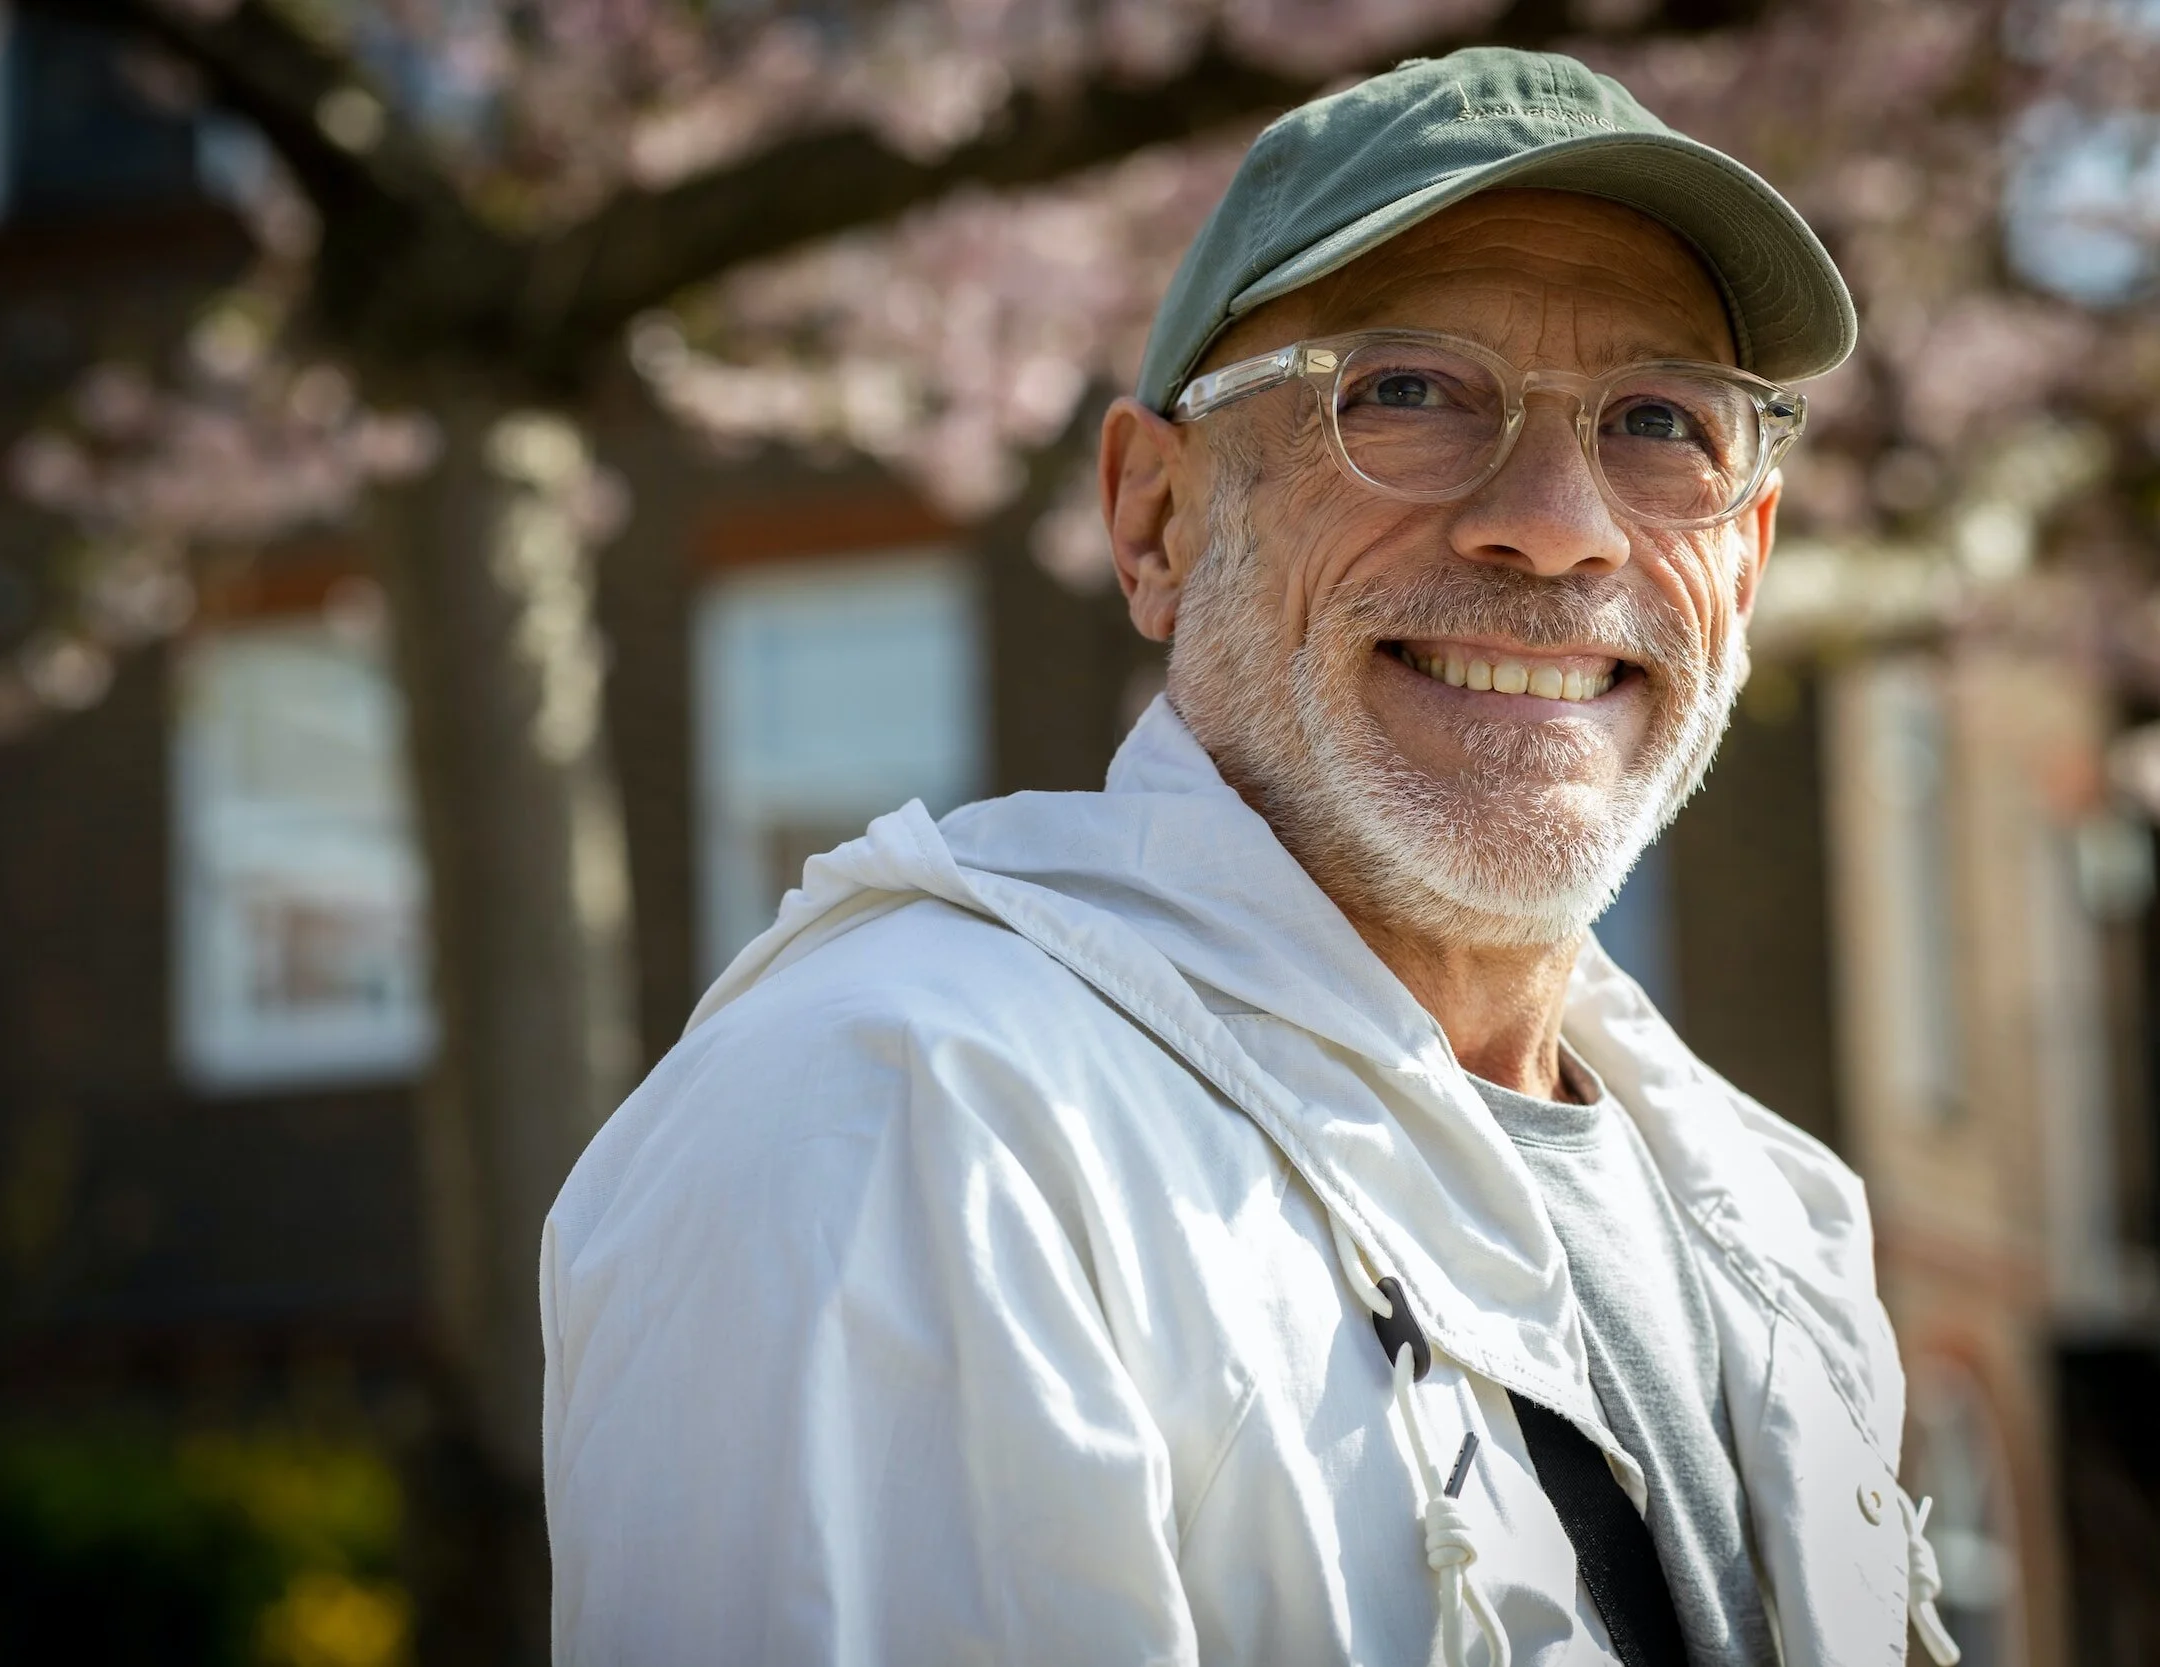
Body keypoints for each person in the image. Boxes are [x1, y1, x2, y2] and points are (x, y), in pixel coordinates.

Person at [543, 46, 1960, 1667]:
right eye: (1407, 392)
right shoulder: (916, 1126)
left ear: (1750, 560)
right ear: (1155, 519)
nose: (1560, 521)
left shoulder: (1780, 1217)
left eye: (1659, 422)